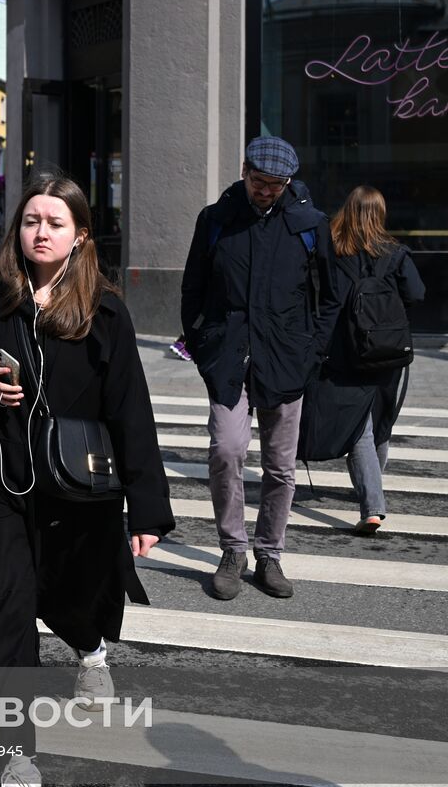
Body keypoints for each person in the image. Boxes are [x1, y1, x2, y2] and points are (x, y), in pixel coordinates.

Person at [0, 174, 172, 787]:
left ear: (79, 234)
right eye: (31, 220)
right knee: (8, 616)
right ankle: (18, 770)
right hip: (3, 482)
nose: (41, 232)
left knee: (74, 596)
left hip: (79, 492)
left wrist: (147, 508)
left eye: (56, 222)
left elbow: (131, 411)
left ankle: (89, 647)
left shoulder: (104, 312)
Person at [180, 137, 337, 601]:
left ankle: (270, 553)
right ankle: (233, 550)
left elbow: (330, 296)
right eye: (259, 181)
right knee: (226, 450)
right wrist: (203, 345)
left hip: (287, 358)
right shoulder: (216, 219)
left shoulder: (310, 224)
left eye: (276, 185)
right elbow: (193, 288)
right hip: (229, 356)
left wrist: (312, 351)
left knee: (280, 466)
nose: (266, 191)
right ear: (244, 171)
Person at [299, 186, 425, 535]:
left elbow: (316, 297)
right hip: (387, 351)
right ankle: (371, 489)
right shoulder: (395, 253)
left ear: (347, 211)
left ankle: (372, 505)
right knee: (379, 422)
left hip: (345, 353)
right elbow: (417, 293)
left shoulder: (333, 251)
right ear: (379, 215)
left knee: (359, 427)